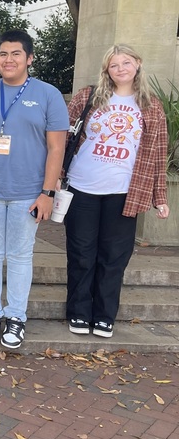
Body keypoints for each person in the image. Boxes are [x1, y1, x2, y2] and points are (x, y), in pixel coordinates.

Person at [0, 30, 68, 351]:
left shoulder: (48, 95)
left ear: (29, 58)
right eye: (3, 54)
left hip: (29, 192)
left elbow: (56, 148)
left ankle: (16, 316)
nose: (8, 60)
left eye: (16, 54)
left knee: (20, 256)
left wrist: (47, 193)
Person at [65, 45, 170, 338]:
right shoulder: (87, 97)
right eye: (114, 65)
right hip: (82, 187)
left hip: (125, 192)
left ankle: (104, 315)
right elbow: (62, 136)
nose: (120, 69)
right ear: (106, 70)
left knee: (114, 257)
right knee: (81, 253)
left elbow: (158, 153)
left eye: (125, 62)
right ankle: (78, 312)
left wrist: (160, 197)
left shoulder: (151, 106)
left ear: (137, 64)